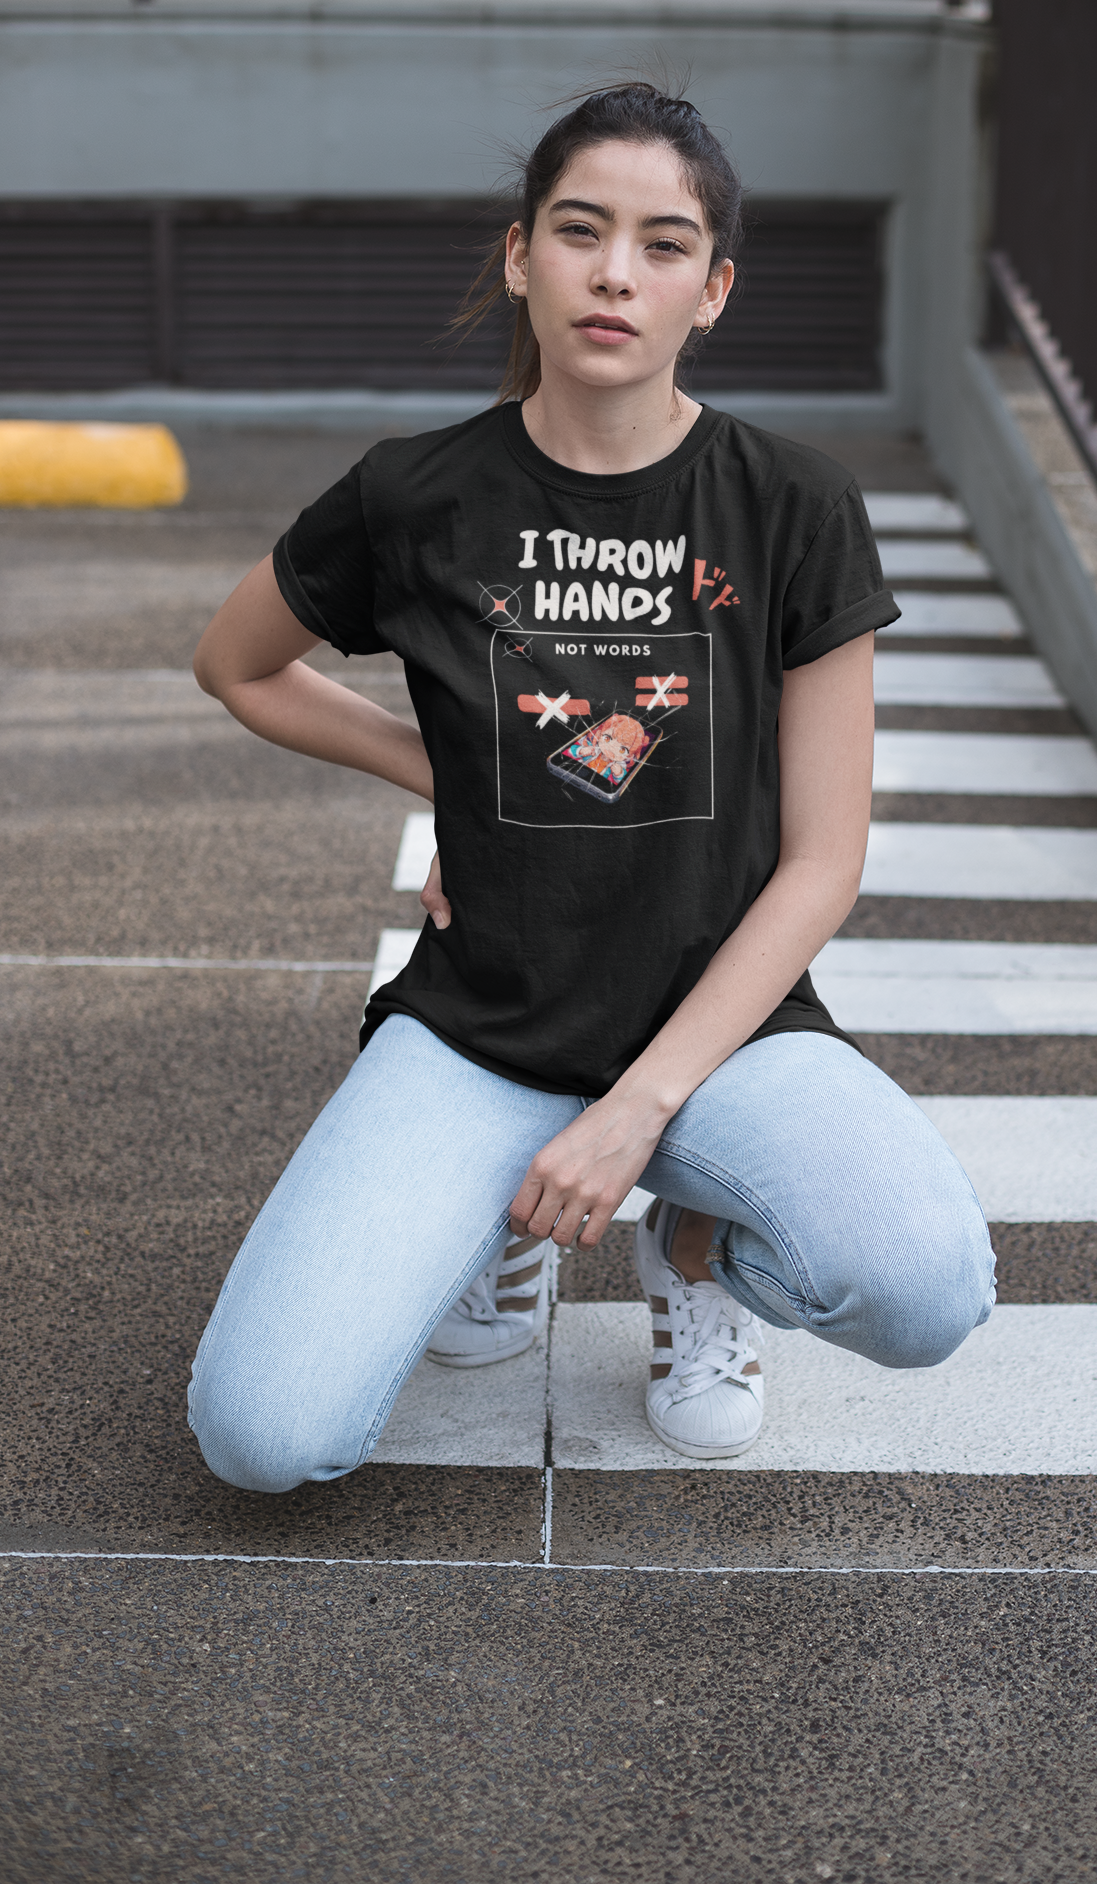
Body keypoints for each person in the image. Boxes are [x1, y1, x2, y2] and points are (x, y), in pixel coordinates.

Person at [188, 82, 995, 1492]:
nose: (616, 272)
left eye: (664, 244)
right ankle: (505, 1218)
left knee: (926, 1292)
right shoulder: (416, 495)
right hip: (480, 1032)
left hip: (725, 1042)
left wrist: (637, 1112)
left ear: (712, 290)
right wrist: (445, 773)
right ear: (521, 257)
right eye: (579, 231)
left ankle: (698, 1245)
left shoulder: (793, 505)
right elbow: (237, 665)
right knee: (262, 1438)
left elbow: (824, 863)